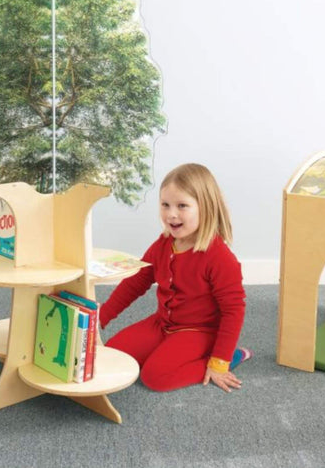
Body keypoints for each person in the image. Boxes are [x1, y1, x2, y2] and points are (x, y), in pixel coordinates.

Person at [100, 163, 251, 393]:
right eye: (165, 205)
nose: (171, 214)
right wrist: (101, 317)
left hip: (200, 331)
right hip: (162, 324)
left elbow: (234, 310)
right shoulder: (163, 244)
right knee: (113, 354)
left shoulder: (219, 257)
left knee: (155, 377)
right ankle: (165, 349)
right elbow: (135, 283)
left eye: (182, 206)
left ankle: (232, 355)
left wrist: (219, 363)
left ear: (205, 207)